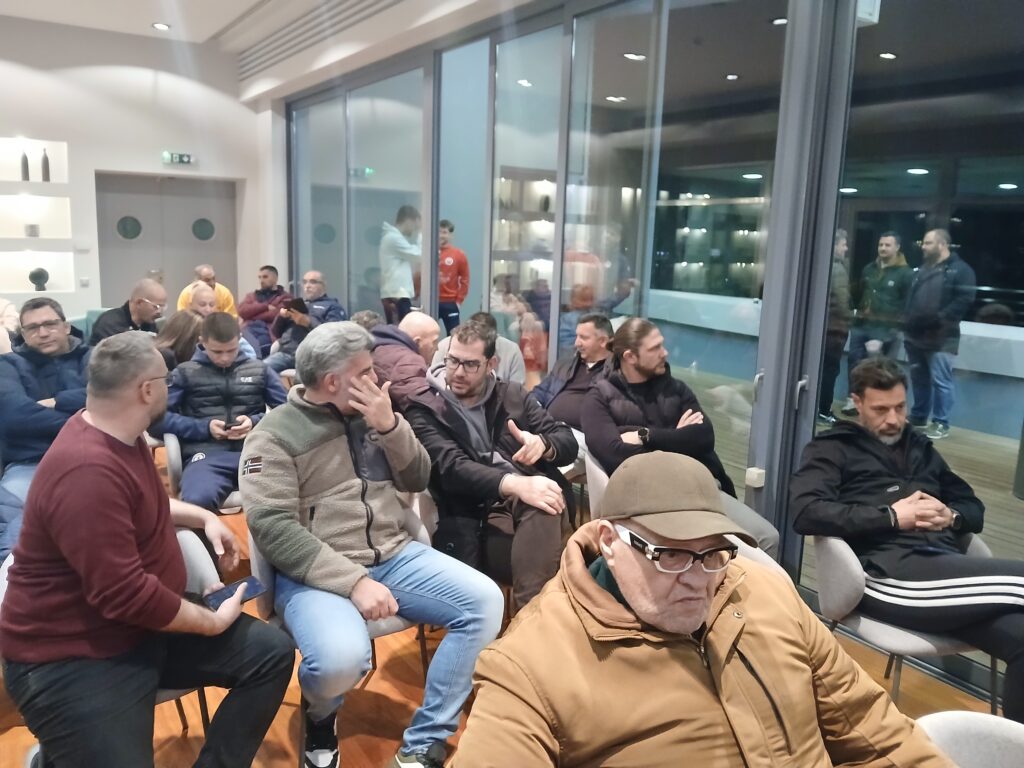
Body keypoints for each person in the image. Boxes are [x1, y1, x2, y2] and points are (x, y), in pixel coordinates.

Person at [451, 451, 954, 767]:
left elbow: (874, 730)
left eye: (714, 552)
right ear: (608, 541)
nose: (698, 579)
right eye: (669, 554)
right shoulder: (530, 667)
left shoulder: (768, 594)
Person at [0, 331, 294, 767]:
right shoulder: (86, 471)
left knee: (270, 654)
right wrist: (210, 622)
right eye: (166, 380)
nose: (170, 387)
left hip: (141, 625)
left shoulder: (118, 432)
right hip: (72, 654)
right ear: (147, 390)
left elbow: (142, 503)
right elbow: (125, 596)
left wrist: (204, 517)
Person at [240, 321, 503, 768]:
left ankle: (427, 738)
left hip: (393, 554)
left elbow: (417, 478)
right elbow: (272, 528)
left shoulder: (374, 413)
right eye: (364, 371)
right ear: (332, 382)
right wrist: (354, 582)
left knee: (485, 602)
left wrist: (391, 426)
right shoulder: (273, 436)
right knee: (339, 661)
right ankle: (320, 715)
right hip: (316, 573)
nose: (376, 378)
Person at [792, 356, 1024, 722]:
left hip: (943, 568)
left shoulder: (918, 447)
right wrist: (892, 517)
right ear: (857, 402)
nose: (893, 419)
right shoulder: (832, 448)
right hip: (886, 576)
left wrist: (952, 515)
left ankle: (1011, 746)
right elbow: (806, 512)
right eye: (881, 409)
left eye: (900, 407)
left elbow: (972, 506)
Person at [407, 320, 579, 609]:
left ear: (491, 364)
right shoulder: (426, 407)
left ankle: (530, 620)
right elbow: (452, 468)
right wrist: (516, 485)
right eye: (453, 360)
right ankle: (533, 620)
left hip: (531, 501)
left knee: (544, 503)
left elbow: (566, 441)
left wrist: (543, 444)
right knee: (550, 528)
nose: (458, 372)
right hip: (476, 516)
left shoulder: (512, 395)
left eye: (470, 364)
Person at [580, 317, 779, 555]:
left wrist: (645, 435)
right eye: (655, 348)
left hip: (701, 488)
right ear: (630, 357)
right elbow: (616, 455)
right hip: (651, 502)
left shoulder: (676, 389)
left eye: (662, 344)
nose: (665, 352)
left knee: (766, 538)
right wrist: (678, 438)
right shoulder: (598, 398)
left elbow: (704, 437)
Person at [156, 313, 287, 512]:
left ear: (239, 340)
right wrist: (204, 428)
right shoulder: (184, 373)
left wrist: (255, 422)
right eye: (217, 351)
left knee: (293, 494)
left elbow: (287, 412)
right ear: (202, 342)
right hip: (207, 456)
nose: (225, 358)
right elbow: (158, 420)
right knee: (196, 502)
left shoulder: (260, 370)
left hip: (256, 452)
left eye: (231, 350)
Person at [0, 298, 90, 503]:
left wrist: (57, 401)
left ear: (66, 327)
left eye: (50, 324)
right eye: (33, 328)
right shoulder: (7, 365)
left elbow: (111, 398)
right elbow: (15, 418)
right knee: (12, 514)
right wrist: (89, 421)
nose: (42, 333)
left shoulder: (93, 356)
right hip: (31, 463)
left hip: (94, 456)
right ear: (23, 335)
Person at [903, 228, 977, 439]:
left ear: (942, 244)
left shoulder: (961, 270)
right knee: (919, 379)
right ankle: (918, 416)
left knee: (941, 381)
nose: (923, 247)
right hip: (916, 335)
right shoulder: (922, 269)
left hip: (943, 337)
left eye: (928, 243)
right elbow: (911, 298)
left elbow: (964, 300)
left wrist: (939, 318)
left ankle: (940, 423)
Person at [841, 231, 912, 416]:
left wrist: (889, 332)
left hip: (887, 329)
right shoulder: (869, 269)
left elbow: (906, 305)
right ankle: (853, 400)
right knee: (854, 362)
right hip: (862, 325)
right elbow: (859, 293)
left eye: (887, 245)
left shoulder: (905, 274)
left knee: (881, 369)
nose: (883, 248)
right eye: (881, 245)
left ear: (897, 247)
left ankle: (879, 405)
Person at [532, 313, 613, 432]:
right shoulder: (564, 365)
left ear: (602, 341)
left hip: (582, 434)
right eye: (577, 336)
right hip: (548, 427)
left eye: (583, 338)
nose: (576, 343)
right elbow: (539, 393)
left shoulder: (614, 372)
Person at [265, 270, 347, 373]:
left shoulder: (332, 307)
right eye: (305, 282)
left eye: (313, 282)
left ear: (323, 285)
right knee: (259, 371)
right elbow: (276, 332)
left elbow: (334, 336)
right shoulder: (297, 304)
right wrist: (281, 317)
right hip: (287, 353)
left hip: (313, 358)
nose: (307, 286)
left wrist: (308, 322)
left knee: (303, 378)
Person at [432, 311, 526, 385]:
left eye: (471, 364)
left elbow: (517, 389)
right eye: (453, 360)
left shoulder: (511, 350)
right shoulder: (444, 346)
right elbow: (434, 379)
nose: (460, 373)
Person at [372, 311, 440, 411]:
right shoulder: (409, 363)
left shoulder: (381, 348)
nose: (437, 348)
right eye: (434, 342)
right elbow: (425, 408)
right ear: (417, 342)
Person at [818, 230, 851, 424]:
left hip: (824, 329)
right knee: (830, 371)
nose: (846, 248)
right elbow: (841, 302)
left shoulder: (820, 266)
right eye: (843, 244)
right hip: (834, 330)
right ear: (834, 245)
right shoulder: (837, 269)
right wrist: (848, 321)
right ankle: (823, 410)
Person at [88, 278, 167, 345]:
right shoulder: (110, 324)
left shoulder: (148, 323)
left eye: (162, 307)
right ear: (139, 303)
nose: (159, 312)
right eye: (156, 307)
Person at [237, 265, 292, 357]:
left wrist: (251, 315)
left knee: (257, 346)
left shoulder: (285, 297)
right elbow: (242, 311)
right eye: (260, 277)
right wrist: (265, 306)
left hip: (269, 332)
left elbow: (276, 314)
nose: (261, 280)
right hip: (248, 329)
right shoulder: (251, 296)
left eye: (265, 277)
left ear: (275, 278)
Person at [380, 205, 422, 323]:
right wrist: (422, 233)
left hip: (396, 293)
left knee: (399, 328)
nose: (414, 230)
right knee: (403, 329)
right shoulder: (393, 238)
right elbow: (419, 255)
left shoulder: (393, 238)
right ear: (409, 221)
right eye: (415, 226)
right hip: (397, 295)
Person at [437, 219, 469, 334]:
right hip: (431, 301)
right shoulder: (429, 252)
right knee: (428, 333)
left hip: (450, 302)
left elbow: (465, 280)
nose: (441, 235)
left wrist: (459, 301)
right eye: (439, 232)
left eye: (444, 232)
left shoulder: (458, 254)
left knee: (454, 335)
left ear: (451, 235)